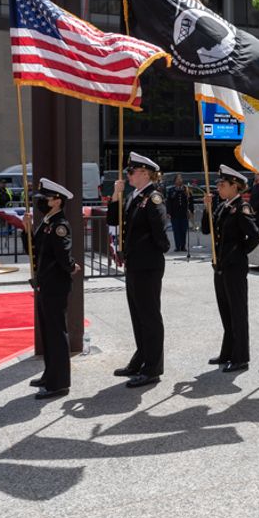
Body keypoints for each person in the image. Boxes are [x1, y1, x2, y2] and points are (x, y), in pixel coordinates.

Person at [114, 152, 170, 388]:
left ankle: (153, 367)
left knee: (149, 316)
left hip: (147, 265)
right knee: (137, 315)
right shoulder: (133, 197)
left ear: (145, 173)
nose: (128, 175)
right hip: (134, 264)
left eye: (131, 172)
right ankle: (141, 357)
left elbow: (160, 234)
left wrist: (148, 251)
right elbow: (113, 219)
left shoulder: (153, 198)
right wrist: (115, 196)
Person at [202, 165, 259, 372]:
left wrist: (238, 253)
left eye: (222, 184)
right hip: (220, 267)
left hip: (234, 267)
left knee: (237, 312)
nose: (218, 187)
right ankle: (227, 351)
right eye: (218, 184)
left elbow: (254, 237)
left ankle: (240, 357)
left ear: (234, 186)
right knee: (225, 311)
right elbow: (206, 229)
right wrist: (207, 208)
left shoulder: (241, 208)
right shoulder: (223, 206)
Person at [27, 178, 80, 400]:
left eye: (45, 199)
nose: (41, 203)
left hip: (55, 284)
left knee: (57, 333)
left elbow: (62, 254)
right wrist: (26, 230)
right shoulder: (47, 221)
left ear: (57, 201)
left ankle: (59, 383)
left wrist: (71, 266)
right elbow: (35, 250)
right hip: (44, 283)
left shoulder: (59, 224)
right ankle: (50, 374)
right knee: (48, 332)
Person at [165, 173, 194, 252]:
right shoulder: (171, 190)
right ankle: (177, 246)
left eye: (180, 179)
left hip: (184, 213)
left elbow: (190, 201)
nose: (179, 180)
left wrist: (191, 211)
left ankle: (183, 246)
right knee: (176, 231)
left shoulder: (186, 189)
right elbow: (169, 202)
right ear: (175, 181)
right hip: (175, 213)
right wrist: (168, 212)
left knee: (183, 230)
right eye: (178, 179)